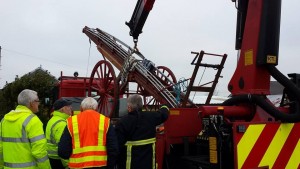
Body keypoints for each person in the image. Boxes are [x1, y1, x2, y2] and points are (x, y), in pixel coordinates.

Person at [58, 97, 118, 169]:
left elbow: (63, 152)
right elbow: (113, 149)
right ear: (96, 108)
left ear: (81, 108)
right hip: (100, 165)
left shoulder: (71, 122)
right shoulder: (105, 121)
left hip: (77, 166)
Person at [0, 89, 51, 169]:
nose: (39, 103)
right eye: (37, 101)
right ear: (31, 103)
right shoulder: (33, 120)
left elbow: (0, 148)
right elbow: (39, 152)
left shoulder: (4, 120)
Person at [115, 94, 169, 169]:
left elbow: (116, 146)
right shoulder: (151, 117)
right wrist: (165, 106)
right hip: (148, 164)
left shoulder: (123, 122)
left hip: (130, 164)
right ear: (141, 105)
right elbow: (163, 114)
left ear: (129, 107)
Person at [46, 98, 73, 169]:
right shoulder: (61, 124)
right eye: (68, 106)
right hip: (59, 161)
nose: (71, 108)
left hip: (52, 158)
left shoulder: (53, 119)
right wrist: (68, 165)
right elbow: (63, 149)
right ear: (62, 109)